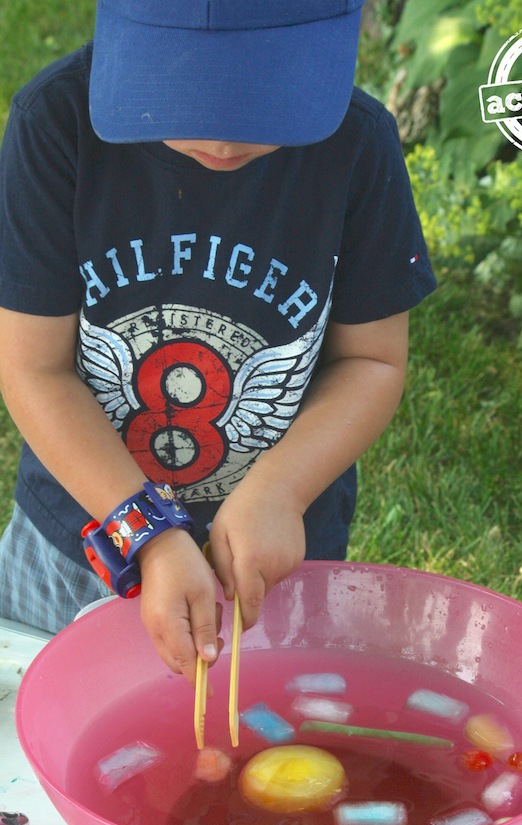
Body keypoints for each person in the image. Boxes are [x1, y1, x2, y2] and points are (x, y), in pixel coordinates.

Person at [0, 0, 436, 686]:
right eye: (177, 90)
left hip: (268, 559)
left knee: (248, 752)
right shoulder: (54, 125)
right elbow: (34, 370)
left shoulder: (358, 144)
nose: (225, 138)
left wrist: (283, 489)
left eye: (265, 96)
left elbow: (372, 358)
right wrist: (143, 528)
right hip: (76, 542)